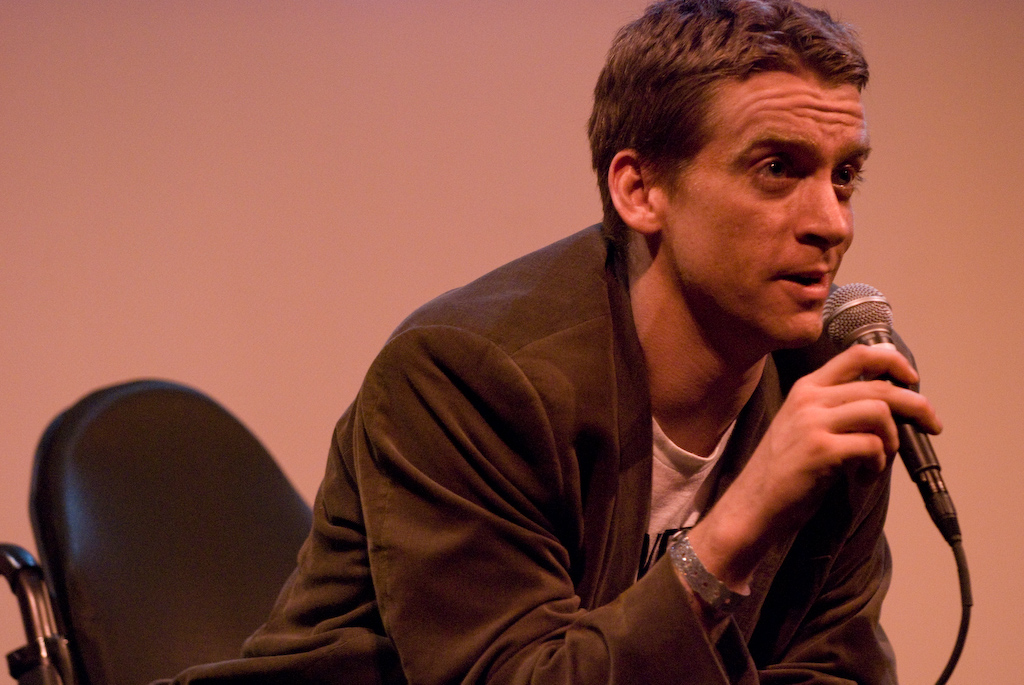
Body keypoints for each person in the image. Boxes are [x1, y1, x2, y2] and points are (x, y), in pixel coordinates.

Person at [169, 0, 941, 683]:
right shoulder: (464, 377)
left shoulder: (833, 379)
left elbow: (833, 667)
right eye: (777, 168)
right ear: (640, 189)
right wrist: (739, 521)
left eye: (845, 176)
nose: (832, 222)